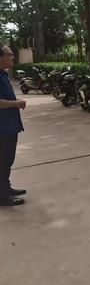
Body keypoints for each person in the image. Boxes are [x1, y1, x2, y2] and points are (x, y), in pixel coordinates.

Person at [0, 45, 27, 207]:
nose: (12, 57)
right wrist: (16, 103)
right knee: (3, 161)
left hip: (9, 126)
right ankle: (2, 196)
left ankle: (6, 188)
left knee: (7, 160)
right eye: (9, 55)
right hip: (2, 128)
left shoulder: (3, 75)